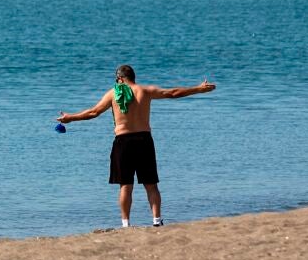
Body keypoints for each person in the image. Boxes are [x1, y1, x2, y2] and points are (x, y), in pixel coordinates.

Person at [57, 65, 216, 228]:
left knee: (125, 185)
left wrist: (70, 118)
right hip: (144, 140)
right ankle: (157, 221)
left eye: (116, 80)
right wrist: (198, 89)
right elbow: (173, 93)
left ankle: (125, 224)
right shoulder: (145, 91)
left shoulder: (113, 94)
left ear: (120, 78)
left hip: (123, 142)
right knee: (151, 185)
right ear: (133, 77)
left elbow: (93, 112)